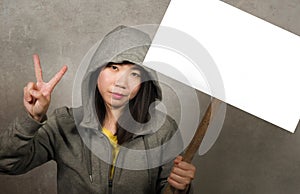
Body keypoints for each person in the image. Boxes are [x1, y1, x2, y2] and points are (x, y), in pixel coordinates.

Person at [0, 26, 195, 194]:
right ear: (96, 71)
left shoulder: (163, 131)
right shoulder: (65, 123)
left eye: (134, 73)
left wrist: (181, 187)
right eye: (113, 68)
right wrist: (32, 118)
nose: (121, 82)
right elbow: (6, 163)